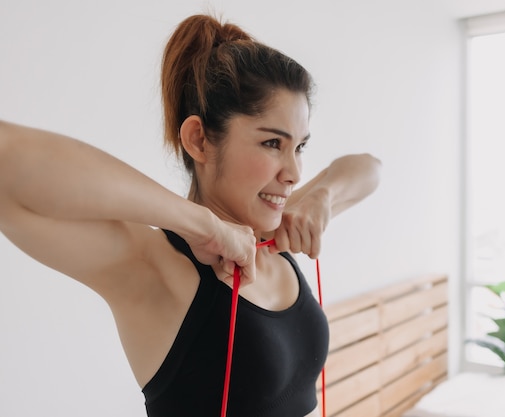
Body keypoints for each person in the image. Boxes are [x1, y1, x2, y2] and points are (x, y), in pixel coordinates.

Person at [0, 13, 380, 417]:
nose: (294, 174)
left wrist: (321, 196)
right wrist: (202, 224)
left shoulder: (273, 230)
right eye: (272, 143)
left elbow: (369, 168)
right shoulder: (155, 269)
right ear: (198, 139)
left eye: (299, 146)